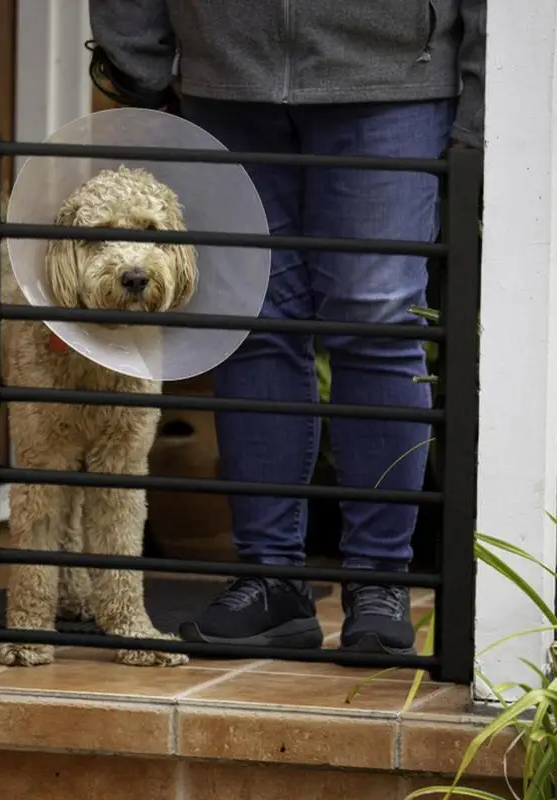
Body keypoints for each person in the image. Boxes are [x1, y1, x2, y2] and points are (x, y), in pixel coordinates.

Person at [88, 0, 485, 655]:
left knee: (377, 322)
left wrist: (481, 102)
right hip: (223, 80)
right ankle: (270, 580)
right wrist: (136, 58)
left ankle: (377, 582)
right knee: (254, 323)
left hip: (393, 80)